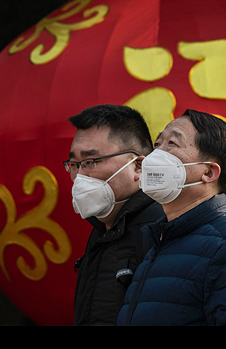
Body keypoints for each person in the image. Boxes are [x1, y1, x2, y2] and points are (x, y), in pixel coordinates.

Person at [117, 108, 226, 326]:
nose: (155, 156)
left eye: (172, 144)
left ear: (209, 172)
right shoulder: (159, 242)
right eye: (157, 144)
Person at [65, 104, 164, 325]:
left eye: (90, 162)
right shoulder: (102, 231)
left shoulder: (164, 230)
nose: (79, 176)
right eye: (74, 164)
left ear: (139, 166)